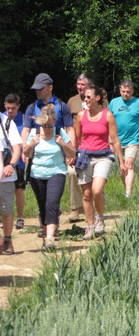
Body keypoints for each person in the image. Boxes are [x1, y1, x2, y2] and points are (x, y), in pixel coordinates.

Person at [74, 86, 126, 240]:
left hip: (103, 156)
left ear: (97, 98)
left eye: (89, 97)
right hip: (85, 156)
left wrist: (121, 162)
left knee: (97, 190)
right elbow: (77, 138)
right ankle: (90, 226)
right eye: (84, 97)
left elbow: (115, 139)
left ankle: (100, 218)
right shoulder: (80, 116)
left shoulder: (107, 115)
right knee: (86, 194)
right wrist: (72, 155)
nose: (86, 100)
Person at [23, 105, 76, 250]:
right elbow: (26, 154)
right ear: (40, 124)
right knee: (43, 205)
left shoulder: (60, 133)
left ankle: (50, 239)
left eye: (50, 126)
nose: (47, 129)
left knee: (52, 203)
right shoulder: (34, 134)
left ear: (54, 123)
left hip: (56, 172)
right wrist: (31, 144)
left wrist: (63, 144)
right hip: (37, 174)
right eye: (45, 126)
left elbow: (72, 153)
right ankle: (47, 232)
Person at [109, 80, 139, 197]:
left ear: (132, 91)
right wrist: (110, 140)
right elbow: (108, 122)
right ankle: (126, 188)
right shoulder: (114, 103)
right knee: (122, 166)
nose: (125, 94)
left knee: (129, 164)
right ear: (120, 91)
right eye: (123, 92)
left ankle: (128, 193)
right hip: (117, 139)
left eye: (128, 92)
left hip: (132, 140)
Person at [66, 74, 93, 222]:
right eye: (78, 84)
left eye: (83, 84)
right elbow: (68, 125)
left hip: (94, 144)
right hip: (76, 144)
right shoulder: (72, 101)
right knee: (71, 173)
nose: (79, 87)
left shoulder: (99, 98)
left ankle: (91, 205)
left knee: (92, 176)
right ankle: (76, 208)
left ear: (89, 86)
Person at [0, 108, 23, 255]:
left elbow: (16, 148)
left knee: (6, 209)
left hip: (6, 176)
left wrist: (12, 165)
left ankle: (7, 240)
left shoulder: (6, 121)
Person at [3, 94, 26, 229]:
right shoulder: (2, 119)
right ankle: (5, 217)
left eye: (13, 108)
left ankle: (20, 217)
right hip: (3, 161)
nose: (10, 111)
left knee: (18, 190)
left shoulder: (23, 120)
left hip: (19, 163)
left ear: (18, 106)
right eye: (8, 108)